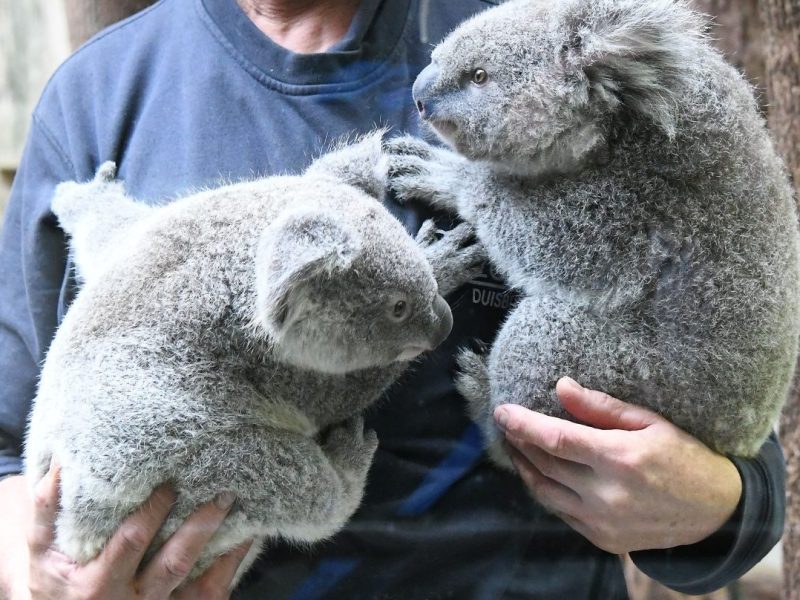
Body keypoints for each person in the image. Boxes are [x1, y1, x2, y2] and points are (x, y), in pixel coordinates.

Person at [0, 0, 785, 598]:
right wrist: (35, 569)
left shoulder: (538, 50)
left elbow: (723, 388)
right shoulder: (98, 97)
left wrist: (717, 508)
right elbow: (8, 440)